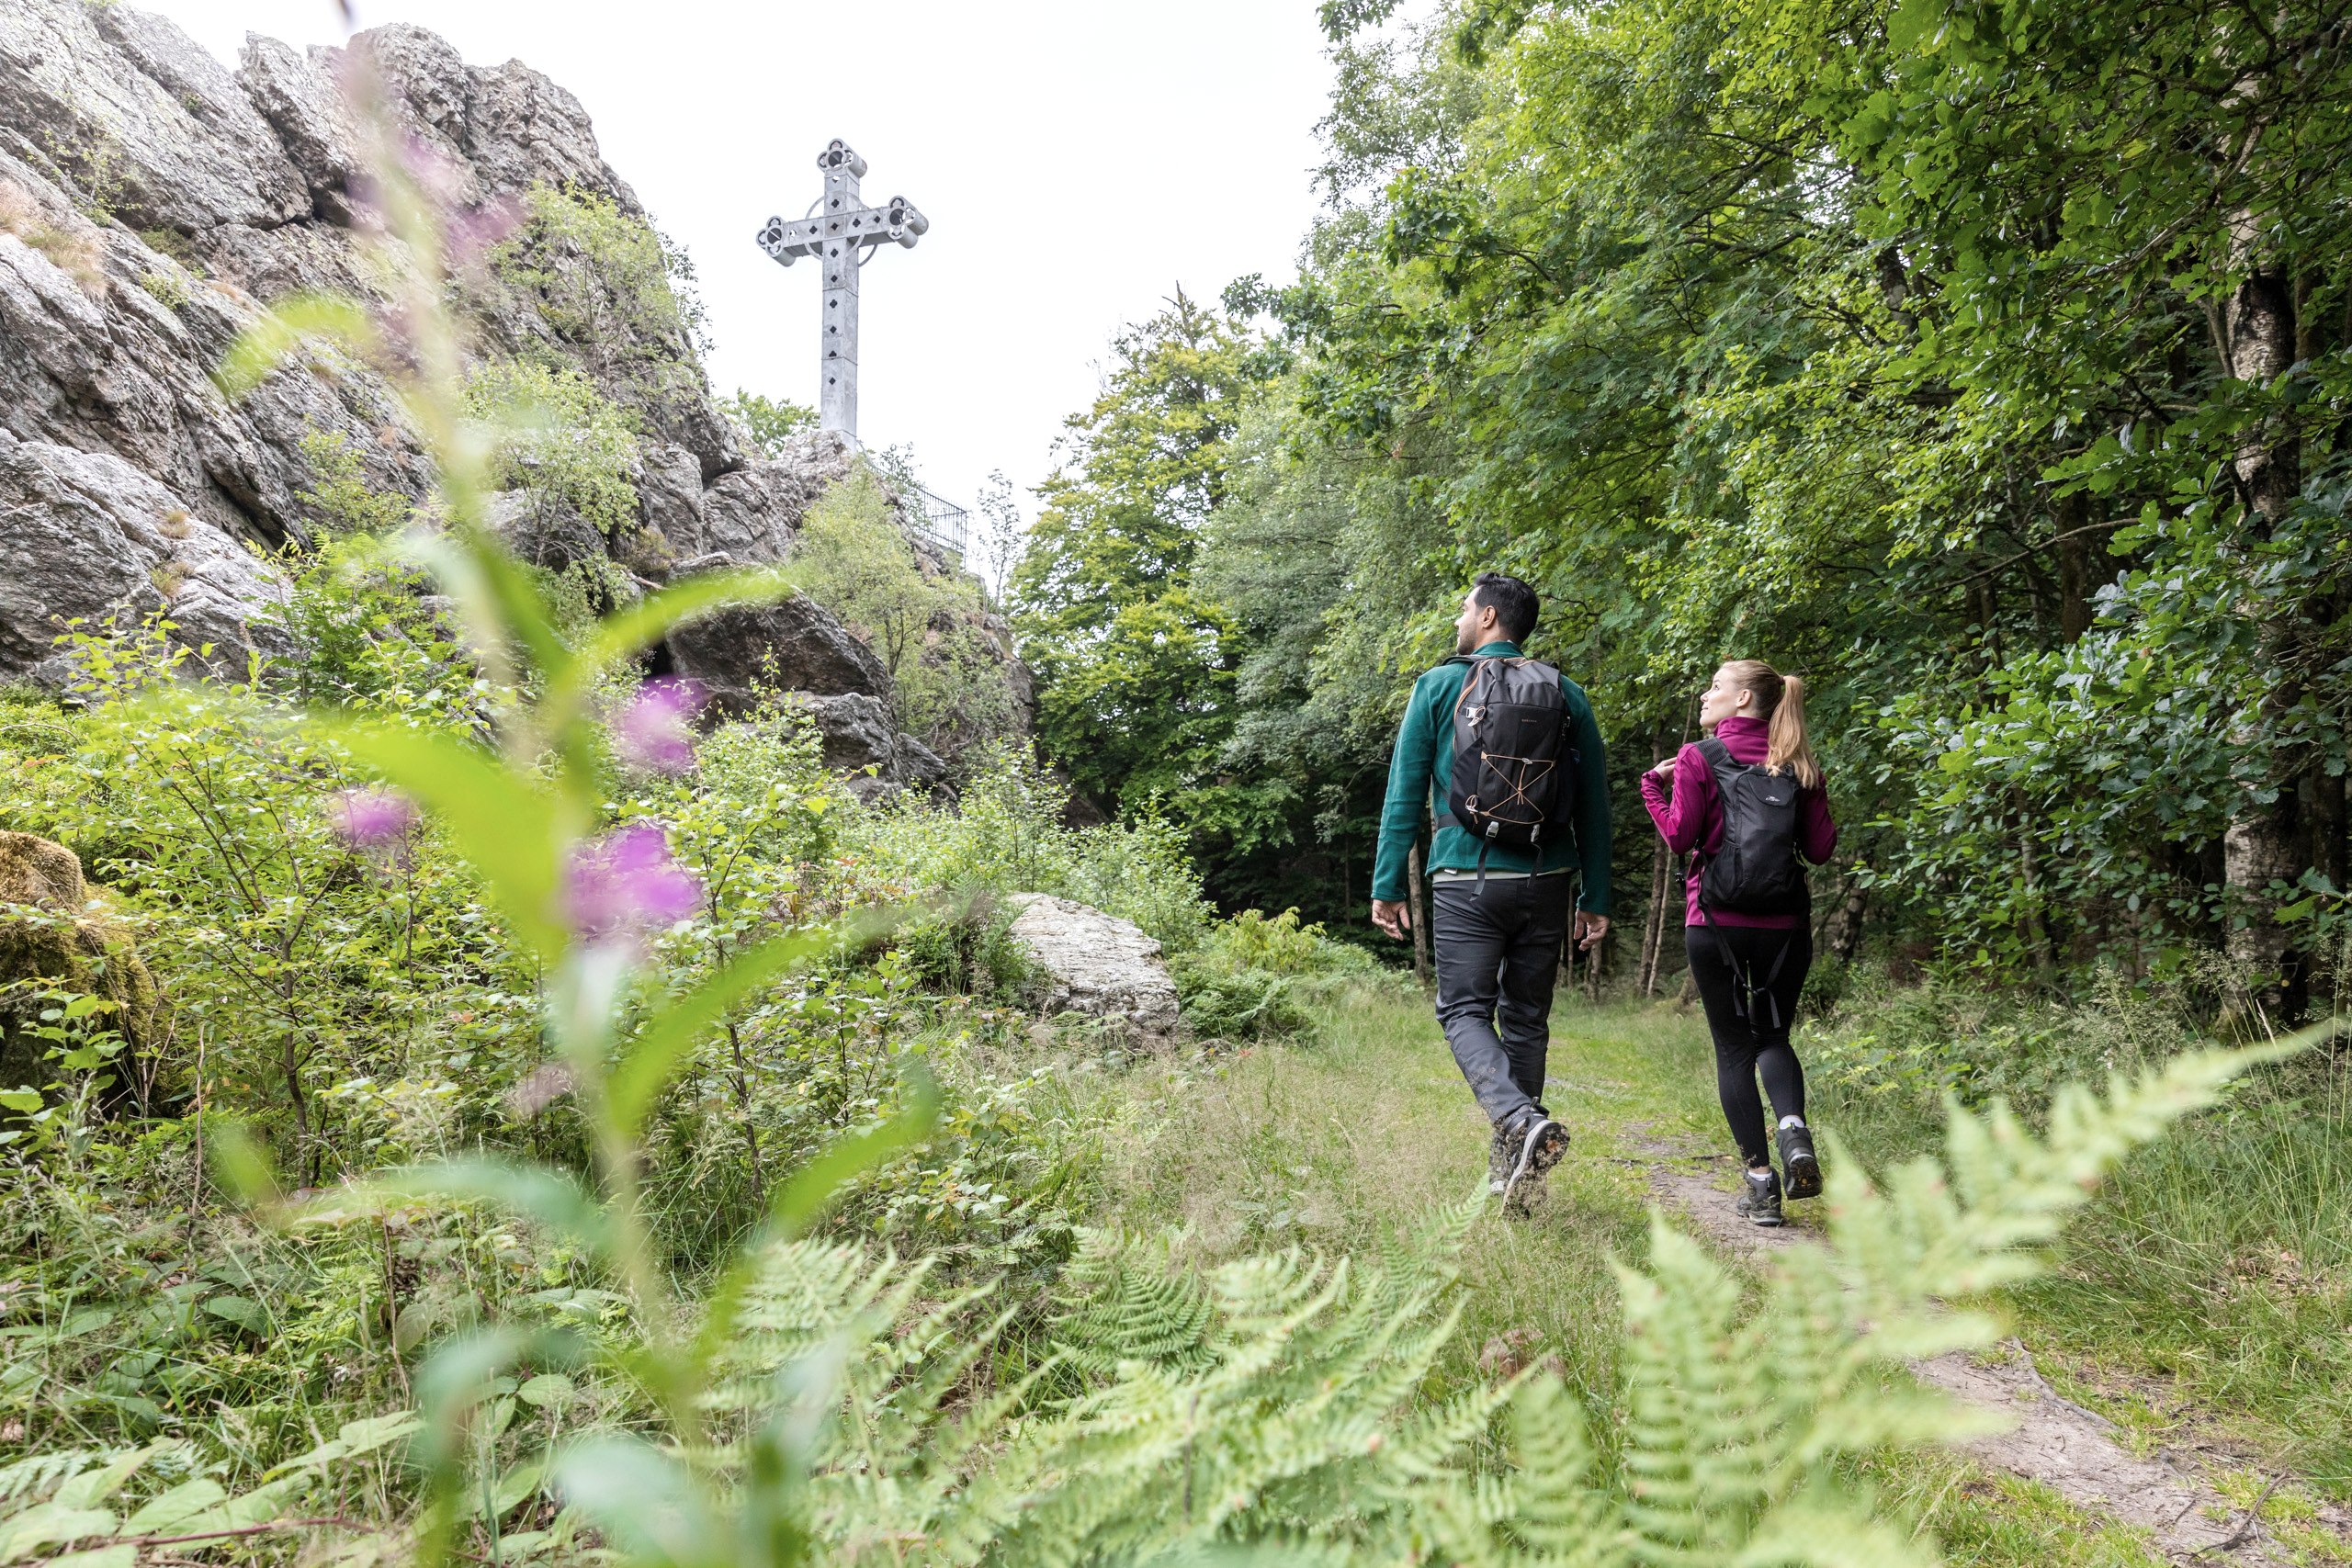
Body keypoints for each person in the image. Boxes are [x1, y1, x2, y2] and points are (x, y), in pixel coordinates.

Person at [1370, 574, 1611, 1212]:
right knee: (1527, 1018)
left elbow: (1403, 793)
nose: (1458, 618)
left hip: (1465, 878)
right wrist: (1597, 894)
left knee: (1463, 1012)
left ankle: (1518, 1121)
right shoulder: (1567, 694)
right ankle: (1517, 1178)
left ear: (1488, 617)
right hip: (1547, 880)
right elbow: (1594, 806)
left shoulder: (1438, 686)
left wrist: (1388, 883)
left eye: (1464, 608)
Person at [1641, 660, 1837, 1227]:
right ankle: (1794, 1134)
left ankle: (1761, 1185)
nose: (1707, 696)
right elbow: (1820, 850)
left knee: (1733, 1051)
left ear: (1745, 698)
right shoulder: (1800, 765)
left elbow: (1679, 836)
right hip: (1784, 930)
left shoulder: (1699, 757)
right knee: (1773, 1036)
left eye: (1717, 687)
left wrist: (1653, 786)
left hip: (1714, 925)